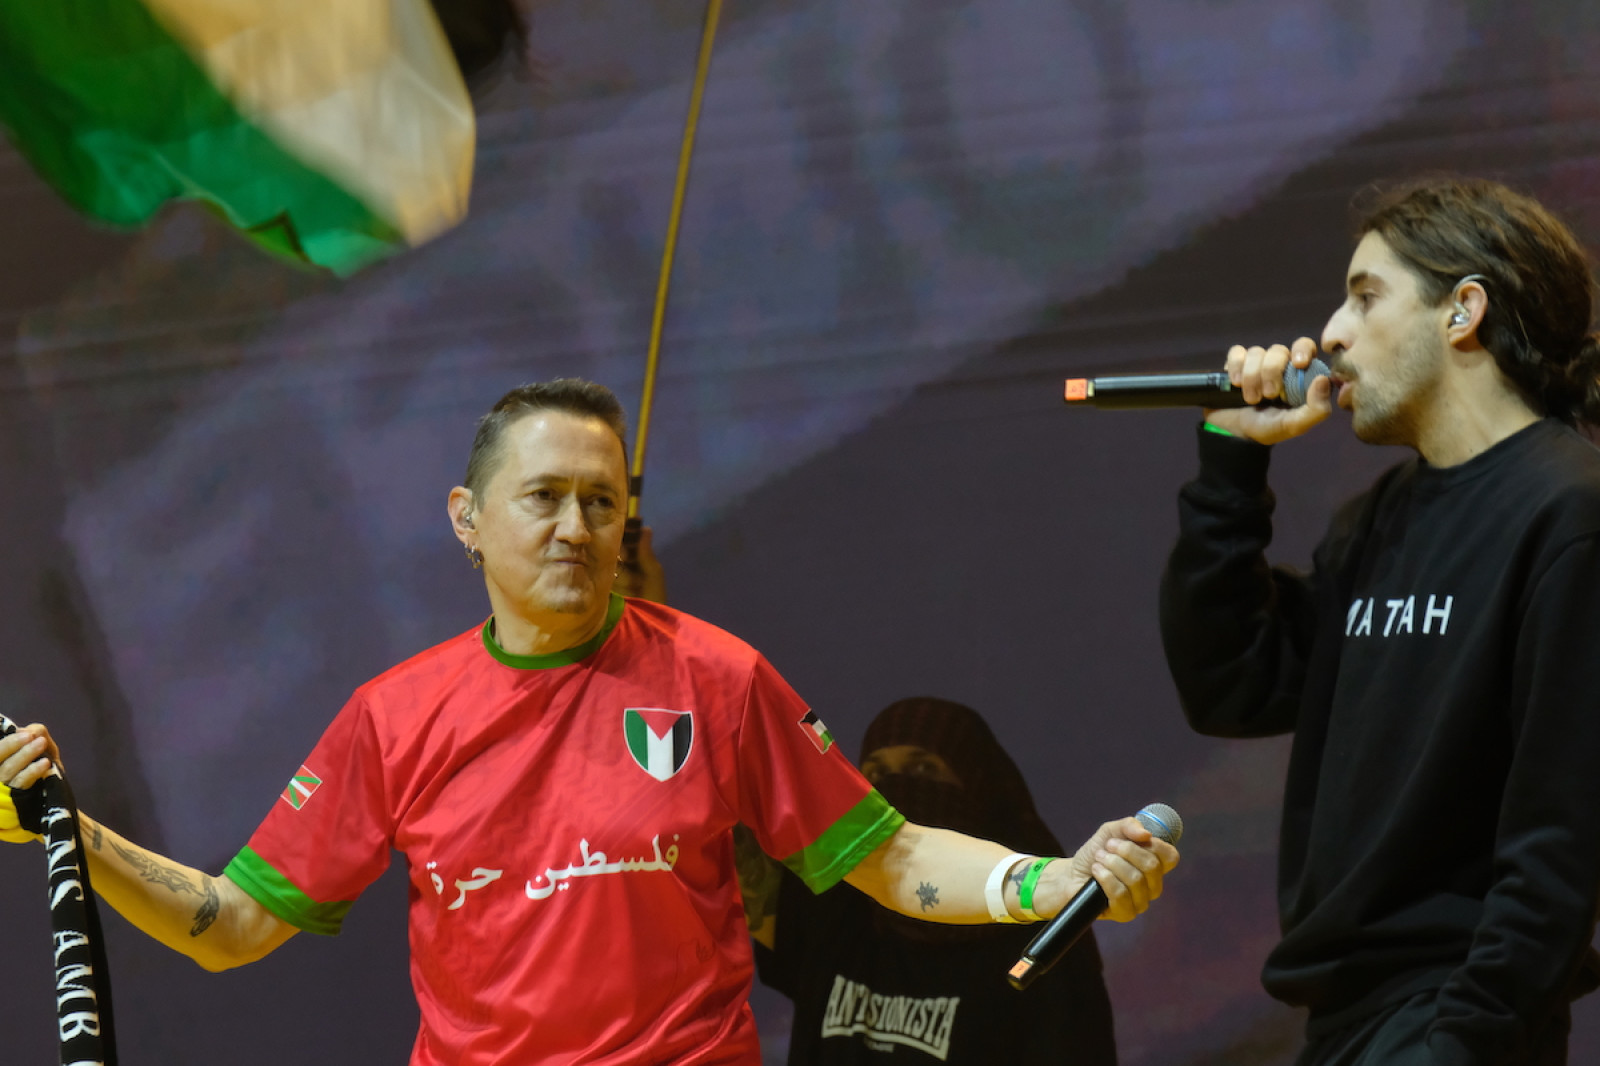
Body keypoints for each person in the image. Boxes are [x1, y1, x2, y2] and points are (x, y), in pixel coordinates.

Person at [0, 379, 1178, 1066]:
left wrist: (1051, 878)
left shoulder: (716, 677)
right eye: (545, 497)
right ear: (466, 518)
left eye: (602, 501)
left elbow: (895, 855)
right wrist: (65, 830)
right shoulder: (391, 719)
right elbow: (231, 922)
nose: (576, 526)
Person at [1158, 177, 1600, 1065]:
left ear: (1463, 311)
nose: (1331, 333)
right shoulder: (1376, 519)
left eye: (1365, 297)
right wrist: (1231, 465)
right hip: (1346, 1022)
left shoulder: (1568, 512)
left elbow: (1561, 832)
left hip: (1450, 1019)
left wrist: (1467, 1038)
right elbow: (1233, 685)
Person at [745, 696, 1118, 1064]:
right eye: (875, 775)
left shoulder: (1045, 948)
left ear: (977, 786)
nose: (897, 788)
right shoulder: (835, 907)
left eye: (923, 769)